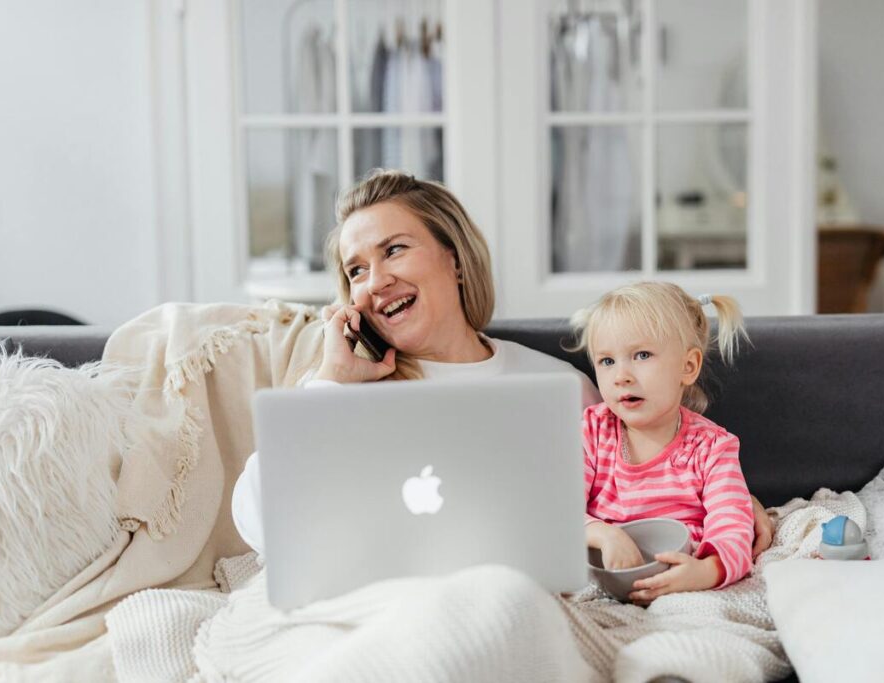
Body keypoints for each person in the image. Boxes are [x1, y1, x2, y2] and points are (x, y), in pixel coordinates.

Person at [231, 169, 775, 559]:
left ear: (455, 258)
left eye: (394, 250)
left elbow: (637, 483)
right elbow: (259, 523)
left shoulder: (560, 387)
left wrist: (726, 501)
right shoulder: (339, 390)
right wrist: (333, 384)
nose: (374, 281)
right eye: (355, 271)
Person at [572, 282, 756, 604]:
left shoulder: (712, 447)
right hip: (603, 585)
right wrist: (604, 534)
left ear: (688, 367)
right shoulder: (591, 432)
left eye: (641, 355)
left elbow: (735, 527)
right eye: (606, 361)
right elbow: (557, 510)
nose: (621, 376)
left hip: (682, 586)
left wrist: (705, 572)